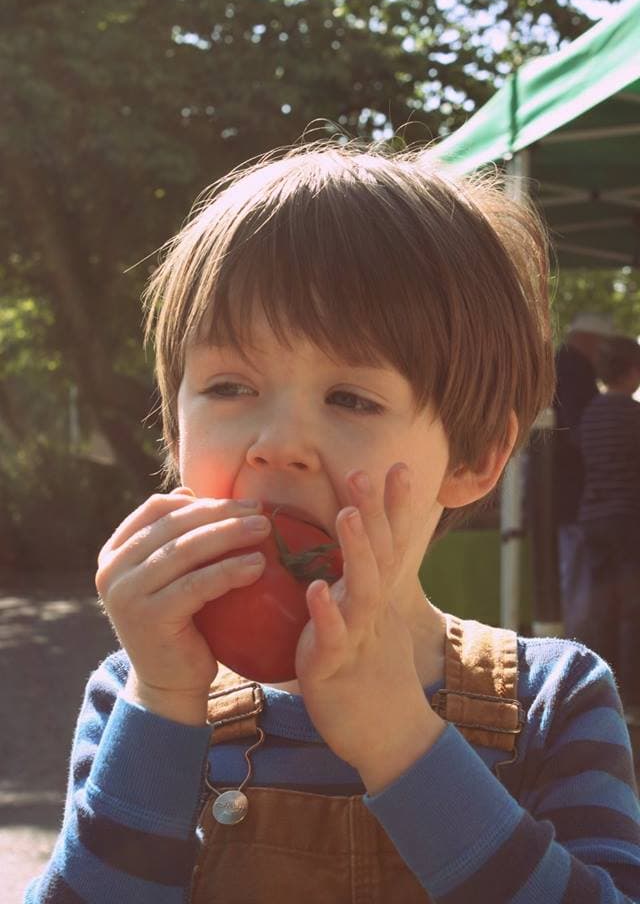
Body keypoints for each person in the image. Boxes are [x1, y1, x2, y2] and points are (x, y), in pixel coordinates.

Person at [26, 143, 640, 903]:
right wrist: (160, 710)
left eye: (351, 398)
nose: (278, 443)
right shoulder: (139, 696)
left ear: (475, 458)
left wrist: (398, 739)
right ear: (176, 436)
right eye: (229, 385)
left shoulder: (552, 704)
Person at [578, 335, 640, 724]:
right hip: (627, 518)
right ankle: (632, 694)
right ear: (632, 372)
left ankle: (601, 690)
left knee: (601, 604)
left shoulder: (590, 415)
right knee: (632, 608)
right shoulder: (633, 416)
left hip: (593, 517)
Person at [552, 312, 615, 636]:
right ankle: (575, 637)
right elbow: (578, 432)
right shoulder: (576, 371)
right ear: (591, 341)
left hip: (559, 490)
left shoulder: (563, 366)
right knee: (574, 571)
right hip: (570, 492)